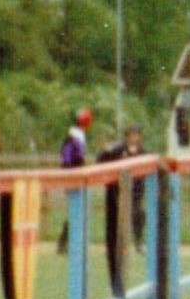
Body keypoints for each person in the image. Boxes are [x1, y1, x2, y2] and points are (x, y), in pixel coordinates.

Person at [97, 123, 147, 251]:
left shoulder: (142, 152)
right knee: (120, 218)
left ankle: (138, 241)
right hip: (120, 190)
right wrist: (103, 151)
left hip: (136, 190)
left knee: (139, 214)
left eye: (137, 134)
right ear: (127, 136)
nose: (134, 137)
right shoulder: (119, 150)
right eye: (132, 134)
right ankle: (120, 244)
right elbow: (102, 159)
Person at [57, 107, 93, 254]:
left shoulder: (76, 135)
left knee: (78, 211)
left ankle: (69, 242)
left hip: (75, 176)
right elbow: (68, 159)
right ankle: (64, 242)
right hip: (73, 177)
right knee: (76, 211)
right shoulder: (74, 137)